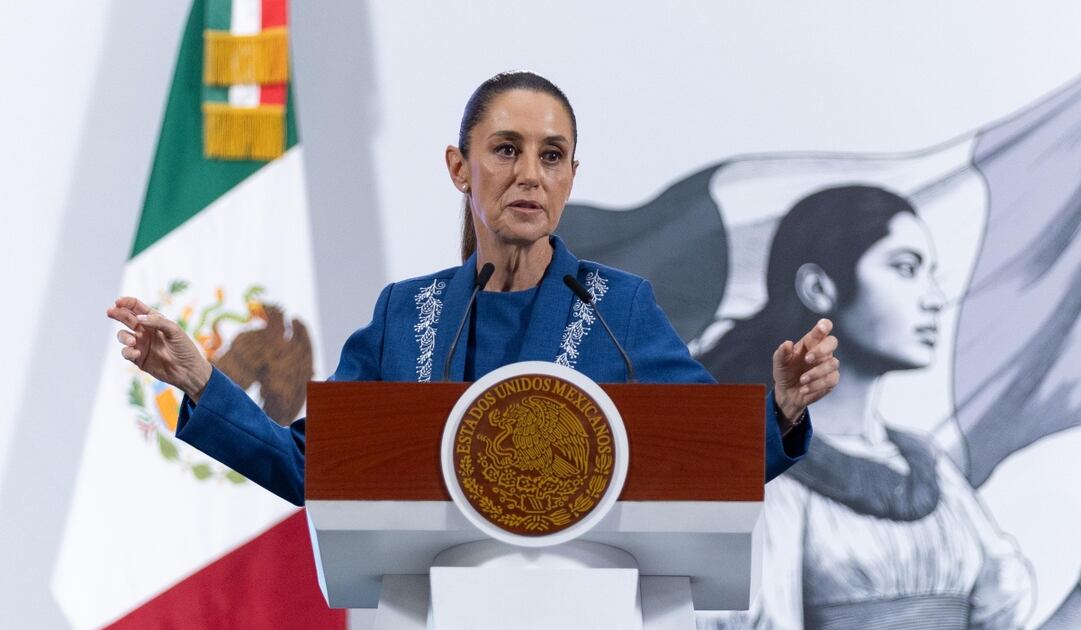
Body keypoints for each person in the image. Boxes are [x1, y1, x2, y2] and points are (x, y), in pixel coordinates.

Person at [106, 71, 840, 508]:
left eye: (551, 156)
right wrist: (202, 379)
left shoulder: (618, 309)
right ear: (460, 168)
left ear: (571, 178)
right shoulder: (405, 315)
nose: (530, 173)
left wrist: (778, 407)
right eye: (506, 150)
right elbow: (311, 468)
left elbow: (709, 456)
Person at [695, 185, 1049, 630]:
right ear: (820, 288)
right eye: (905, 269)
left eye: (932, 275)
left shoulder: (930, 466)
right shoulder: (764, 467)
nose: (935, 299)